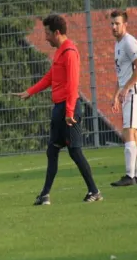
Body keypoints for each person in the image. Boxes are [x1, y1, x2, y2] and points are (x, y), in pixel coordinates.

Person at [13, 14, 102, 205]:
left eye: (47, 33)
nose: (45, 38)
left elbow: (72, 85)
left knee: (75, 151)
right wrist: (30, 92)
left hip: (68, 110)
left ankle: (94, 191)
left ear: (57, 33)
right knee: (52, 151)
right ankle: (45, 195)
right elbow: (50, 77)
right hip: (59, 109)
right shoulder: (60, 51)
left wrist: (69, 112)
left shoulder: (69, 52)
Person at [110, 10, 137, 187]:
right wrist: (116, 95)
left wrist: (127, 88)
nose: (114, 27)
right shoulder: (118, 44)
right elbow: (121, 74)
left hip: (134, 92)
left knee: (128, 132)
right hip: (129, 92)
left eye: (117, 23)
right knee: (134, 134)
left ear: (125, 24)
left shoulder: (129, 42)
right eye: (112, 23)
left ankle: (129, 175)